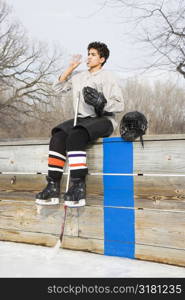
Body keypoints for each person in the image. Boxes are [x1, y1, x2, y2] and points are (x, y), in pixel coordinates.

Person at [35, 41, 124, 207]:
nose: (89, 57)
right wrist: (71, 68)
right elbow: (57, 88)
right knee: (58, 136)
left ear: (102, 59)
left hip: (103, 119)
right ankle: (53, 186)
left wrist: (101, 103)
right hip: (82, 119)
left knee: (76, 136)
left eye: (93, 55)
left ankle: (78, 187)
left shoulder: (108, 77)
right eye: (88, 54)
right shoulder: (79, 77)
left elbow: (120, 104)